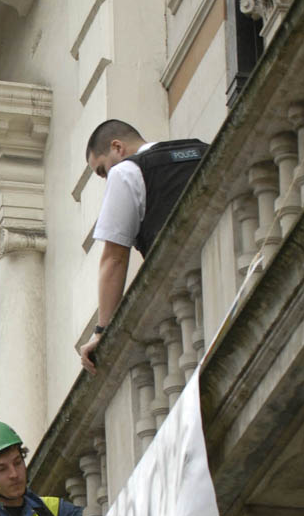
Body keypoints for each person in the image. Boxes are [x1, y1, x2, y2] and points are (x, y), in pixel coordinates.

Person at [80, 120, 208, 374]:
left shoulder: (126, 171)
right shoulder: (204, 149)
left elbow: (114, 258)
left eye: (102, 171)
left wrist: (102, 331)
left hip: (188, 300)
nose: (107, 179)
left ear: (117, 148)